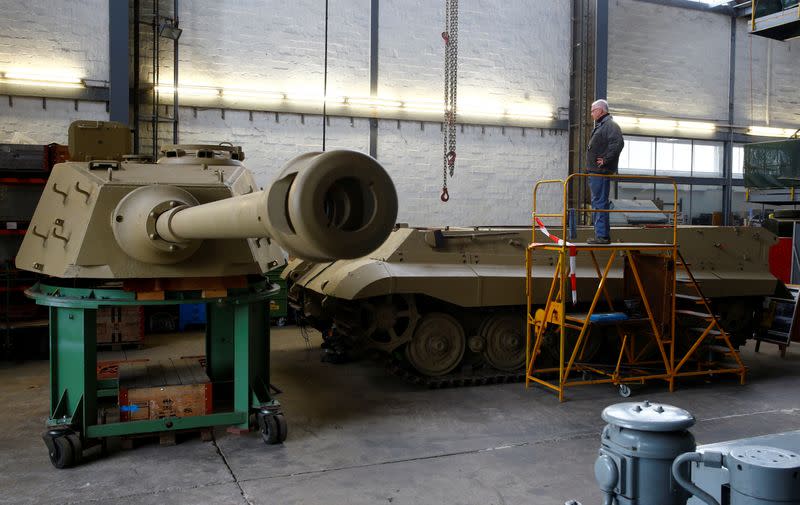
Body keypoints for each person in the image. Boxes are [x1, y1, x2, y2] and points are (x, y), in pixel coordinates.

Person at [586, 99, 624, 244]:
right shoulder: (602, 126)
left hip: (600, 172)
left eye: (593, 110)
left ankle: (602, 236)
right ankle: (600, 235)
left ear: (601, 110)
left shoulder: (610, 126)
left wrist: (606, 160)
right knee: (597, 202)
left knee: (600, 202)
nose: (591, 114)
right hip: (596, 172)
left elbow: (618, 143)